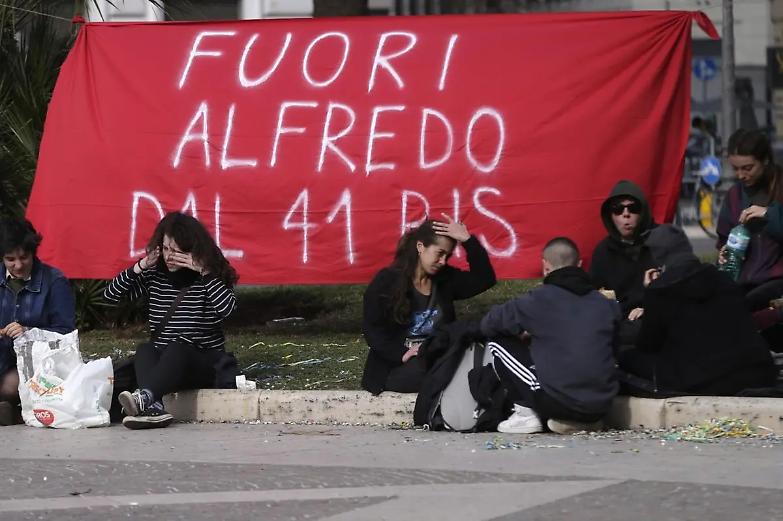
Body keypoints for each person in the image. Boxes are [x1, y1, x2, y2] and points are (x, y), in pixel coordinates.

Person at [104, 212, 238, 429]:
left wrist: (204, 271)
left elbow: (228, 310)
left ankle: (145, 398)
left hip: (201, 360)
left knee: (178, 348)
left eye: (176, 251)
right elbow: (110, 295)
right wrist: (141, 266)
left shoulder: (211, 273)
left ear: (191, 250)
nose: (169, 256)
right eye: (166, 249)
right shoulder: (155, 274)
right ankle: (152, 404)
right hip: (164, 363)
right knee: (145, 349)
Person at [481, 237, 620, 434]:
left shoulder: (537, 300)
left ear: (545, 266)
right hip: (601, 405)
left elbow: (489, 324)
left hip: (559, 403)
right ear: (579, 265)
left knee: (497, 343)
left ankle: (525, 414)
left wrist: (525, 331)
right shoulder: (605, 304)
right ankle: (584, 420)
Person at [619, 225, 776, 395]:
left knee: (626, 357)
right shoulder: (722, 278)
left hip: (706, 380)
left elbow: (648, 345)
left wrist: (651, 292)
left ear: (659, 258)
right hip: (756, 370)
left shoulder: (661, 291)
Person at [361, 215, 496, 395]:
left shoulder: (444, 279)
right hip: (400, 365)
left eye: (447, 256)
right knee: (442, 371)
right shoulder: (387, 281)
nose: (442, 261)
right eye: (439, 253)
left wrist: (468, 241)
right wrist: (401, 353)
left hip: (439, 356)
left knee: (480, 359)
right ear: (420, 247)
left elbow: (484, 279)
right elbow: (373, 330)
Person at [0, 218, 75, 425]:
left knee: (10, 385)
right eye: (10, 259)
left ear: (33, 252)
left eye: (24, 258)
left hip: (38, 363)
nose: (18, 265)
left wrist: (28, 331)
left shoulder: (55, 281)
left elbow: (66, 333)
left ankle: (10, 408)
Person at [717, 129, 783, 347]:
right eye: (735, 169)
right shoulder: (735, 195)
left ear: (765, 161)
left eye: (747, 168)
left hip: (776, 282)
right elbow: (724, 237)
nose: (740, 175)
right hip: (744, 281)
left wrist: (769, 215)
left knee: (745, 310)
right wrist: (723, 251)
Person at [590, 180, 657, 322]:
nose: (626, 214)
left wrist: (651, 308)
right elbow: (591, 296)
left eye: (633, 208)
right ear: (610, 215)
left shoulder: (662, 243)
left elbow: (681, 291)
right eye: (618, 209)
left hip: (656, 320)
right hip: (618, 324)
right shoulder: (603, 251)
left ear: (643, 211)